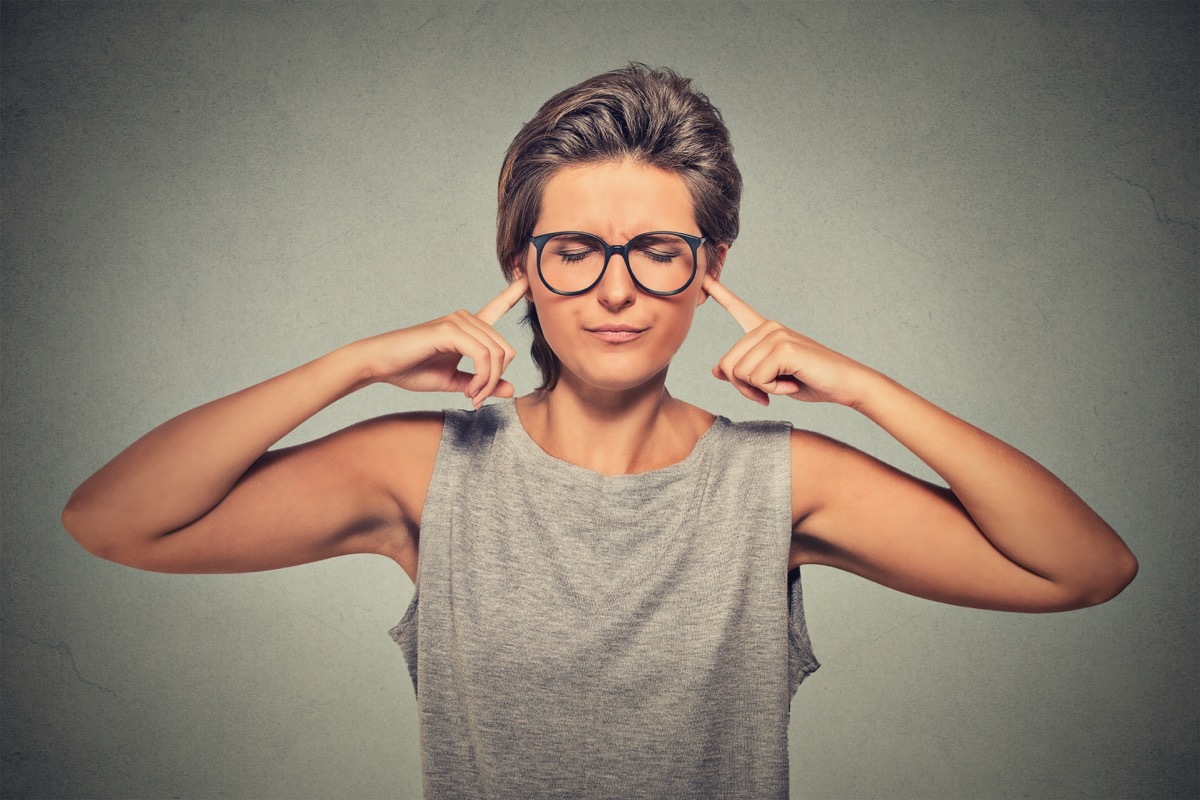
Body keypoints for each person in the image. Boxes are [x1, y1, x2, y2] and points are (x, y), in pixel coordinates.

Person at [61, 64, 1137, 799]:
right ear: (523, 268)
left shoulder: (778, 482)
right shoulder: (426, 468)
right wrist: (349, 367)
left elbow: (1086, 568)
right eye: (574, 248)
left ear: (706, 269)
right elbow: (114, 520)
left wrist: (865, 388)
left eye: (657, 250)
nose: (614, 289)